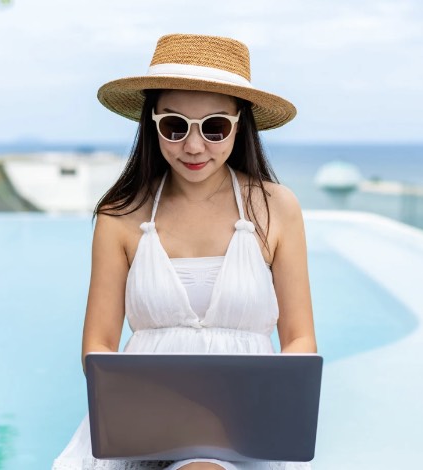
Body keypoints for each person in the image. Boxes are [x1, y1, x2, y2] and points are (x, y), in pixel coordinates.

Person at [52, 33, 316, 470]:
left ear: (239, 124)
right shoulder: (120, 214)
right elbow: (97, 345)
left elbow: (301, 337)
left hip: (250, 426)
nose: (194, 147)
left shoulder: (277, 208)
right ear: (152, 124)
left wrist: (270, 401)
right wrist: (139, 407)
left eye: (214, 127)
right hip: (142, 423)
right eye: (175, 126)